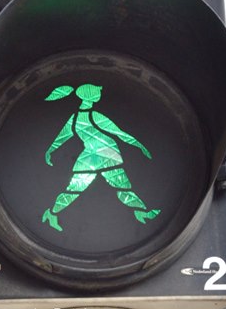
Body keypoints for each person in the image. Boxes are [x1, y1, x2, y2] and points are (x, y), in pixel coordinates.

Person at [41, 82, 160, 232]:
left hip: (95, 156)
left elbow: (62, 137)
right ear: (92, 96)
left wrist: (50, 151)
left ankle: (141, 212)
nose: (100, 94)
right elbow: (119, 133)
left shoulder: (75, 117)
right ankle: (51, 213)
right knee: (83, 189)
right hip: (104, 155)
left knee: (115, 187)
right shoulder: (94, 116)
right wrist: (139, 145)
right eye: (97, 92)